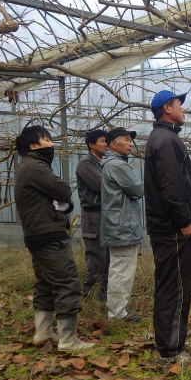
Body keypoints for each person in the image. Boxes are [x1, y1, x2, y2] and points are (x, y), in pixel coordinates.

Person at [144, 90, 191, 365]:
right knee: (174, 287)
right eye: (179, 105)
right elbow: (170, 188)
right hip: (172, 229)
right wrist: (184, 223)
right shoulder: (165, 140)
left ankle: (170, 344)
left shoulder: (166, 137)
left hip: (168, 227)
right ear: (166, 109)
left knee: (173, 285)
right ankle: (169, 351)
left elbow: (177, 179)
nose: (184, 109)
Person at [14, 125, 94, 351]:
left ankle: (43, 332)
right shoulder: (35, 167)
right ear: (33, 145)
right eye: (46, 140)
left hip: (37, 233)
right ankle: (69, 339)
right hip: (48, 233)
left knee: (46, 283)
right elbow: (62, 190)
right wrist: (62, 200)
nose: (52, 144)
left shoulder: (28, 166)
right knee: (67, 281)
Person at [100, 127, 144, 323]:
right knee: (121, 269)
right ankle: (117, 314)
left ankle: (118, 310)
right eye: (125, 140)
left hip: (120, 223)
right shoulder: (117, 165)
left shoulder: (114, 163)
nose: (130, 143)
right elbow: (137, 190)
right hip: (121, 226)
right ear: (113, 144)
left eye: (130, 140)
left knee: (122, 267)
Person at [76, 129, 110, 301]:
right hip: (93, 216)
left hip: (104, 216)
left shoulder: (102, 162)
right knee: (97, 259)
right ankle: (89, 298)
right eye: (103, 141)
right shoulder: (86, 163)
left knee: (107, 259)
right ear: (91, 144)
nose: (106, 144)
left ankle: (102, 298)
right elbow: (100, 184)